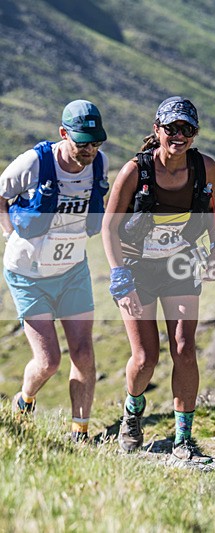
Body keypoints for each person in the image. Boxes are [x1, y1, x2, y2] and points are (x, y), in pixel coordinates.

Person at [101, 97, 215, 462]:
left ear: (194, 133)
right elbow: (109, 226)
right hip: (137, 270)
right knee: (145, 357)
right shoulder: (135, 172)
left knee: (184, 349)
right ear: (157, 130)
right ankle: (132, 413)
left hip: (179, 265)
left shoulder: (205, 168)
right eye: (171, 128)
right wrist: (120, 276)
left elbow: (214, 209)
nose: (179, 136)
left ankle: (183, 438)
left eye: (187, 129)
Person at [0, 100, 110, 442]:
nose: (90, 150)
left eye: (96, 142)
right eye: (82, 143)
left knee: (84, 352)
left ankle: (81, 432)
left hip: (72, 270)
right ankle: (24, 400)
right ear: (63, 134)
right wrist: (8, 231)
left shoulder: (99, 164)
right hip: (28, 275)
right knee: (48, 361)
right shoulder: (34, 162)